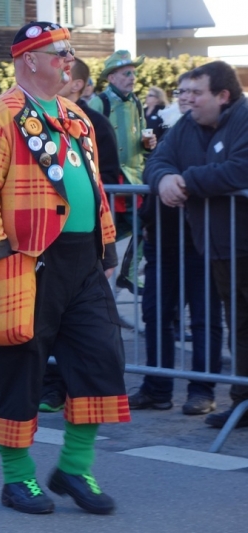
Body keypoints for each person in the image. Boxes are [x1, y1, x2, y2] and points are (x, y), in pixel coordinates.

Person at [0, 22, 129, 515]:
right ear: (29, 58)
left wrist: (107, 246)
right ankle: (17, 480)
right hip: (25, 259)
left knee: (100, 361)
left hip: (81, 258)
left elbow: (94, 187)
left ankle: (75, 467)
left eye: (70, 52)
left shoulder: (76, 114)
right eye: (60, 52)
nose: (69, 60)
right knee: (19, 368)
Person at [145, 61, 248, 429]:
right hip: (219, 245)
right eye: (182, 92)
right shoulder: (187, 124)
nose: (186, 100)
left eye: (195, 93)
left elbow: (241, 168)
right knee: (240, 326)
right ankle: (243, 400)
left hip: (242, 242)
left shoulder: (245, 117)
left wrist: (184, 181)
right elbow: (156, 160)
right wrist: (164, 179)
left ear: (222, 96)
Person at [38, 58, 121, 413]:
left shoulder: (89, 122)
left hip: (85, 249)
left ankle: (75, 463)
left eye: (69, 70)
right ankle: (51, 388)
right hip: (40, 250)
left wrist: (108, 249)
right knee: (39, 337)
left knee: (100, 348)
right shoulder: (14, 117)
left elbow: (101, 183)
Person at [89, 50, 156, 295]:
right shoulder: (100, 102)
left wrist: (148, 143)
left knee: (143, 222)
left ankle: (125, 273)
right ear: (112, 78)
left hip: (134, 178)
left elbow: (141, 136)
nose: (132, 77)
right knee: (113, 229)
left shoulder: (137, 102)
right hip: (111, 179)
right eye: (127, 73)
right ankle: (94, 264)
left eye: (134, 73)